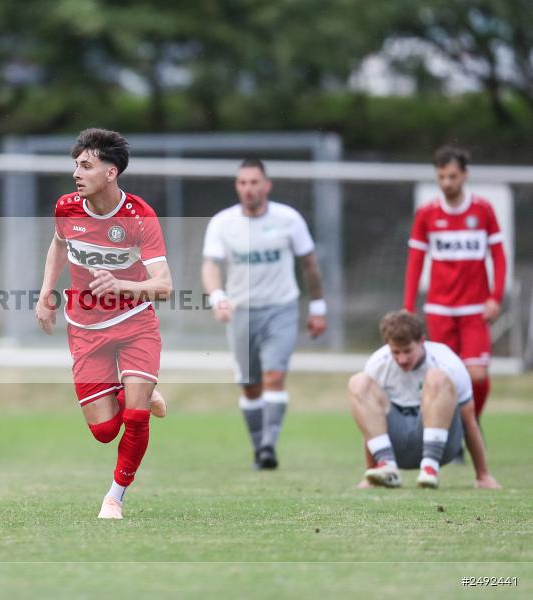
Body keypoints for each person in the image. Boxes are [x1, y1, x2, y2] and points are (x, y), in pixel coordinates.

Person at [35, 128, 172, 519]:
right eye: (75, 165)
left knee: (134, 418)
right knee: (104, 432)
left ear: (110, 173)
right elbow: (60, 244)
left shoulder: (139, 216)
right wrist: (46, 291)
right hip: (84, 328)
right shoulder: (66, 207)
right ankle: (137, 392)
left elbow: (163, 286)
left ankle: (115, 497)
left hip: (134, 323)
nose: (76, 172)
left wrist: (123, 285)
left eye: (86, 165)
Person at [202, 158, 326, 470]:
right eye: (243, 183)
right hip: (242, 312)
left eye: (254, 182)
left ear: (266, 185)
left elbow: (309, 264)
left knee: (275, 375)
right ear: (237, 187)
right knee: (250, 384)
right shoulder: (222, 223)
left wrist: (318, 307)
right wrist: (217, 296)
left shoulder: (289, 219)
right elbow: (211, 266)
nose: (249, 188)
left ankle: (269, 445)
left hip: (281, 308)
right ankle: (260, 448)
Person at [403, 146, 506, 421]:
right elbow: (415, 261)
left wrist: (496, 296)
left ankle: (470, 423)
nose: (446, 183)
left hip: (475, 308)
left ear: (465, 175)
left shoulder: (483, 210)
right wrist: (408, 306)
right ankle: (452, 431)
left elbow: (498, 255)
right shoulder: (427, 213)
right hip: (440, 308)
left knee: (477, 375)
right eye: (441, 177)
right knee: (443, 377)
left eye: (452, 176)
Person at [349, 311, 499, 489]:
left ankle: (430, 468)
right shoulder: (378, 363)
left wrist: (483, 475)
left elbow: (470, 422)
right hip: (397, 446)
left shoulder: (447, 361)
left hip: (444, 446)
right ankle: (386, 467)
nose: (402, 359)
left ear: (421, 342)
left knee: (437, 378)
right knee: (359, 382)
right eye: (395, 352)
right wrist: (370, 473)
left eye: (407, 351)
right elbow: (370, 422)